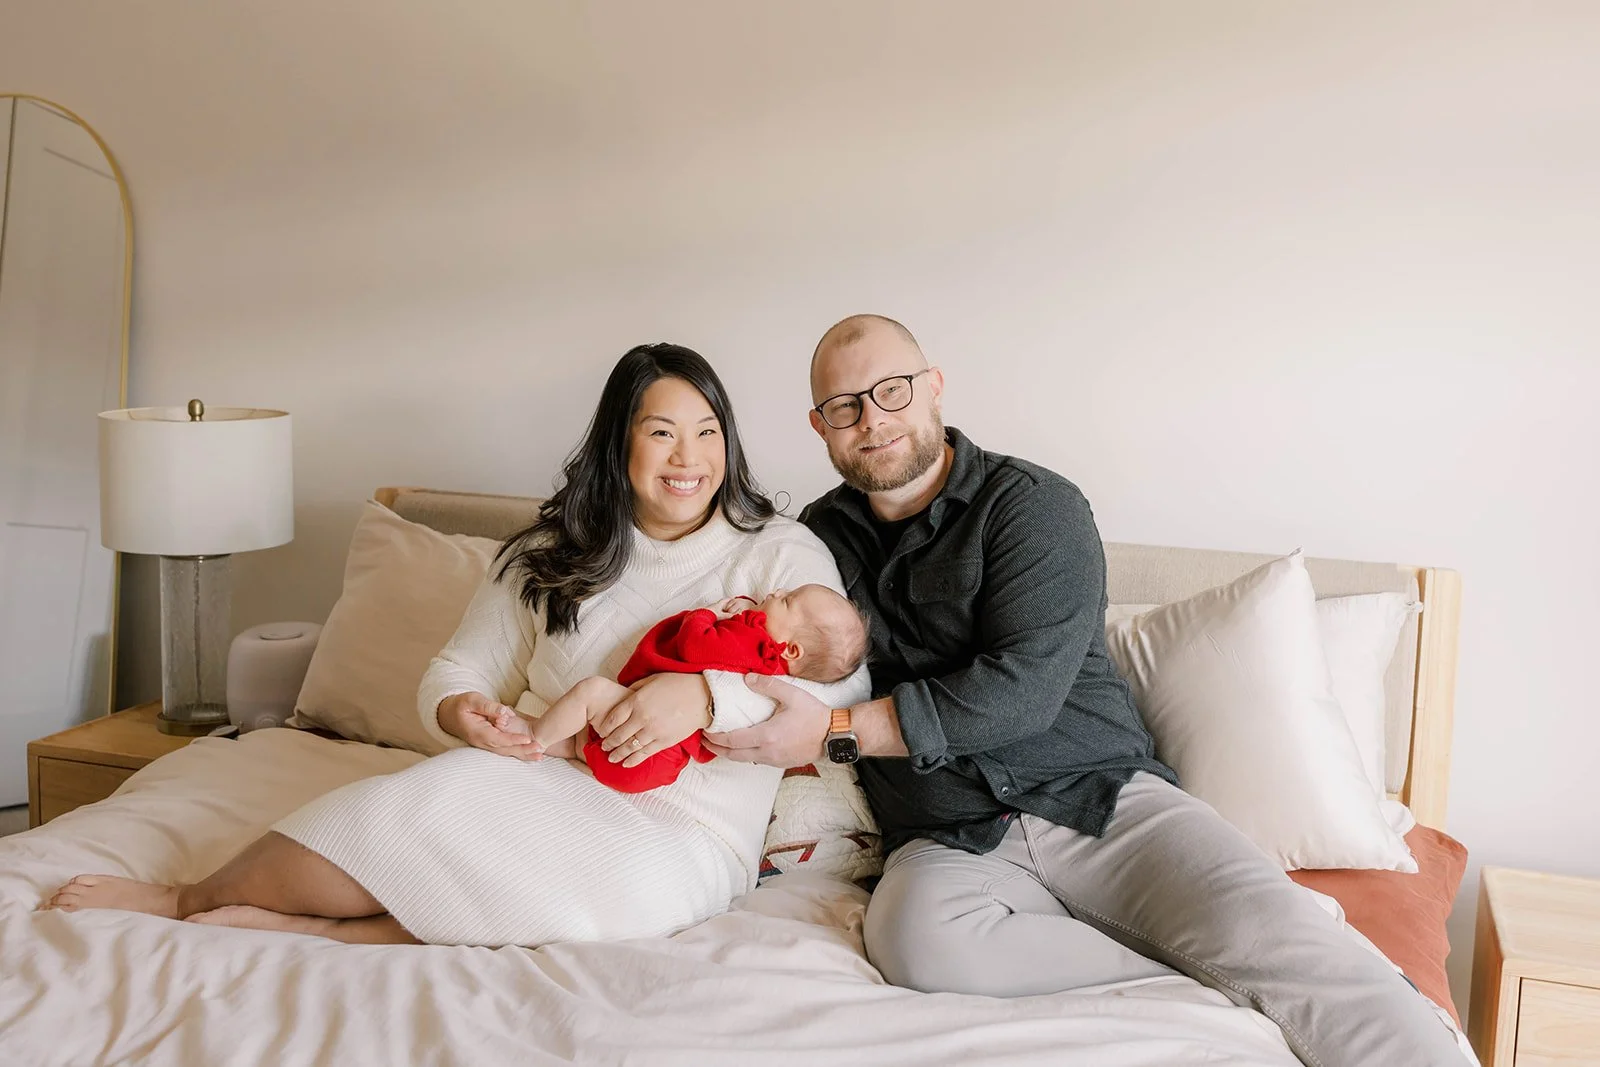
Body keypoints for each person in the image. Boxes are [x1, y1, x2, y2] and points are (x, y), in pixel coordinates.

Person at [702, 315, 1469, 1067]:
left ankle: (1311, 977)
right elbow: (734, 625)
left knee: (1276, 938)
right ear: (820, 425)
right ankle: (1199, 977)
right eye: (845, 406)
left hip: (1103, 802)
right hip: (948, 836)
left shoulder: (1033, 505)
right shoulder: (815, 541)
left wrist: (837, 727)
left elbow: (1021, 692)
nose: (873, 419)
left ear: (933, 386)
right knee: (911, 941)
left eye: (892, 390)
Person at [40, 343, 868, 948]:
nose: (689, 458)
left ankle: (311, 931)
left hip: (683, 826)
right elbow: (457, 670)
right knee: (394, 812)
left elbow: (840, 687)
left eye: (708, 432)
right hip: (537, 773)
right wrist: (461, 711)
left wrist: (704, 696)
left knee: (589, 902)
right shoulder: (550, 552)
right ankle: (187, 898)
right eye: (662, 432)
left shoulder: (780, 554)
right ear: (621, 444)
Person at [498, 584, 867, 793]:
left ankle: (533, 737)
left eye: (787, 600)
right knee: (583, 739)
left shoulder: (752, 643)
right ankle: (563, 746)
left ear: (790, 650)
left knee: (590, 692)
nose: (777, 590)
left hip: (645, 742)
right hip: (656, 764)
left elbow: (694, 645)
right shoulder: (768, 671)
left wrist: (708, 613)